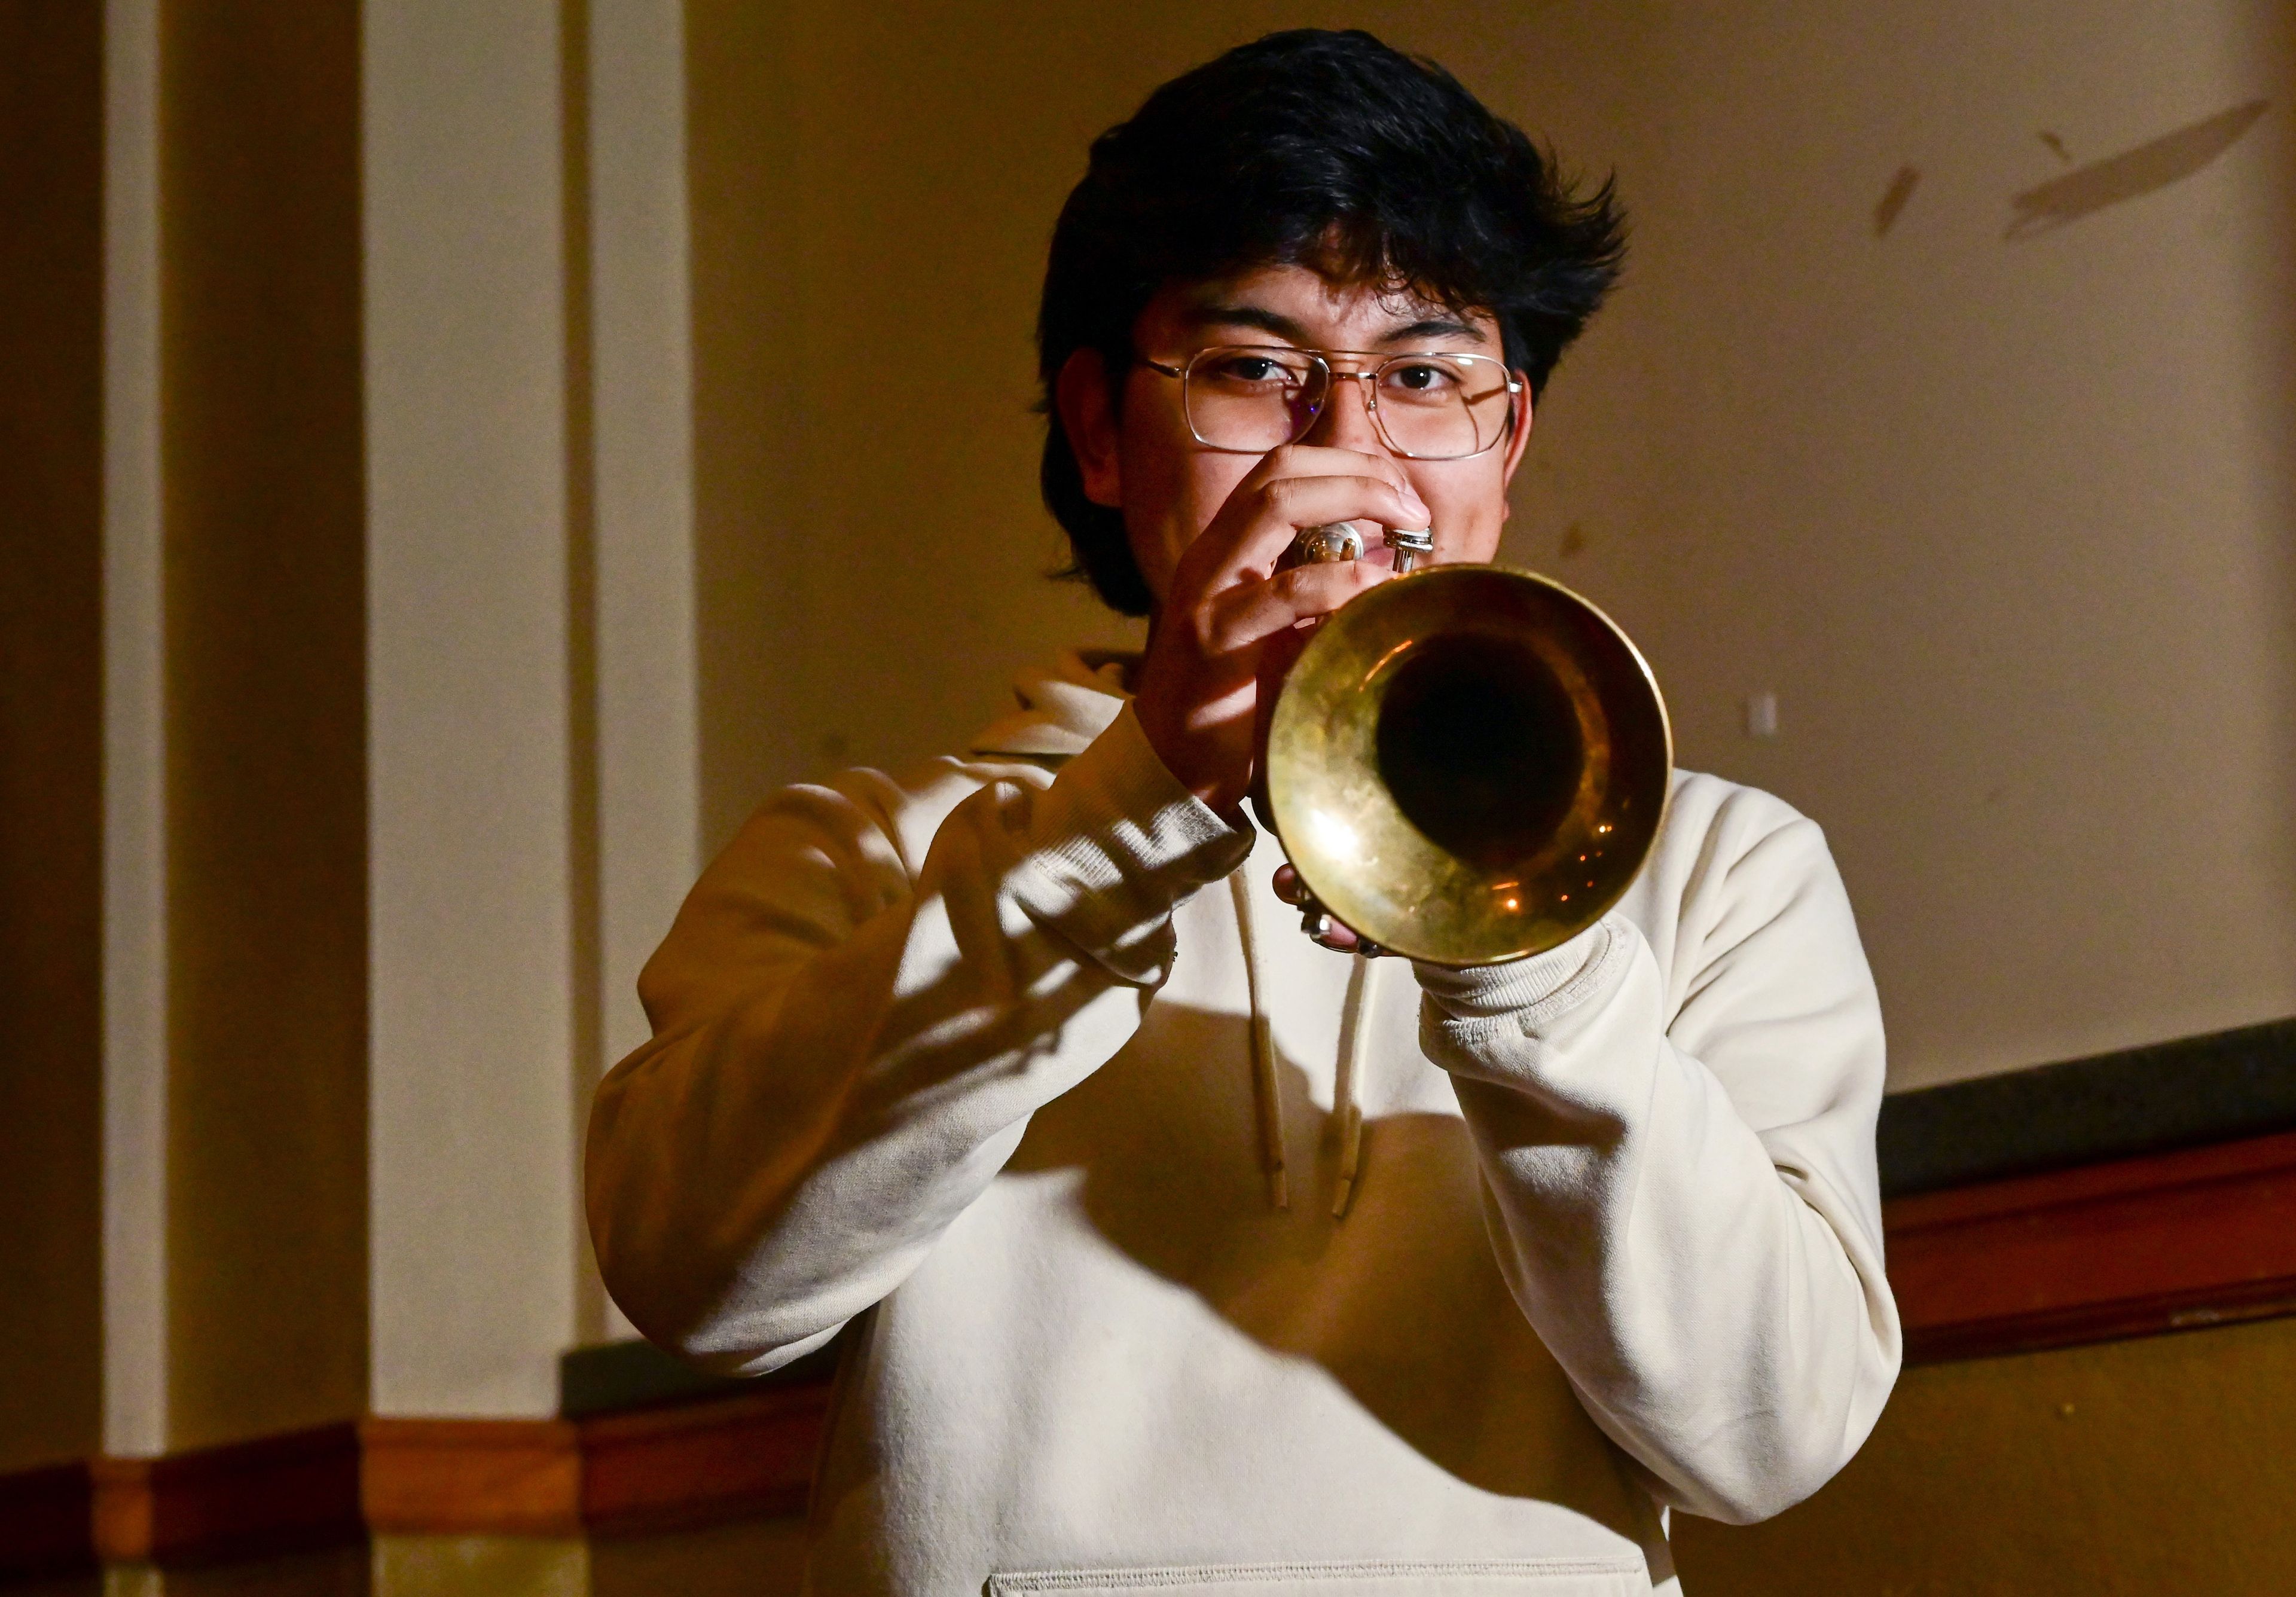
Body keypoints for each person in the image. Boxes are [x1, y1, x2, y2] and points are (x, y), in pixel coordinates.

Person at [587, 28, 1899, 1596]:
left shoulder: (1720, 869)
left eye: (1424, 375)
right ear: (1095, 429)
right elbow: (697, 1281)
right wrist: (1131, 814)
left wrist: (1521, 937)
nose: (1345, 455)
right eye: (1253, 371)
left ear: (1508, 440)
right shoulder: (864, 846)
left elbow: (1776, 1435)